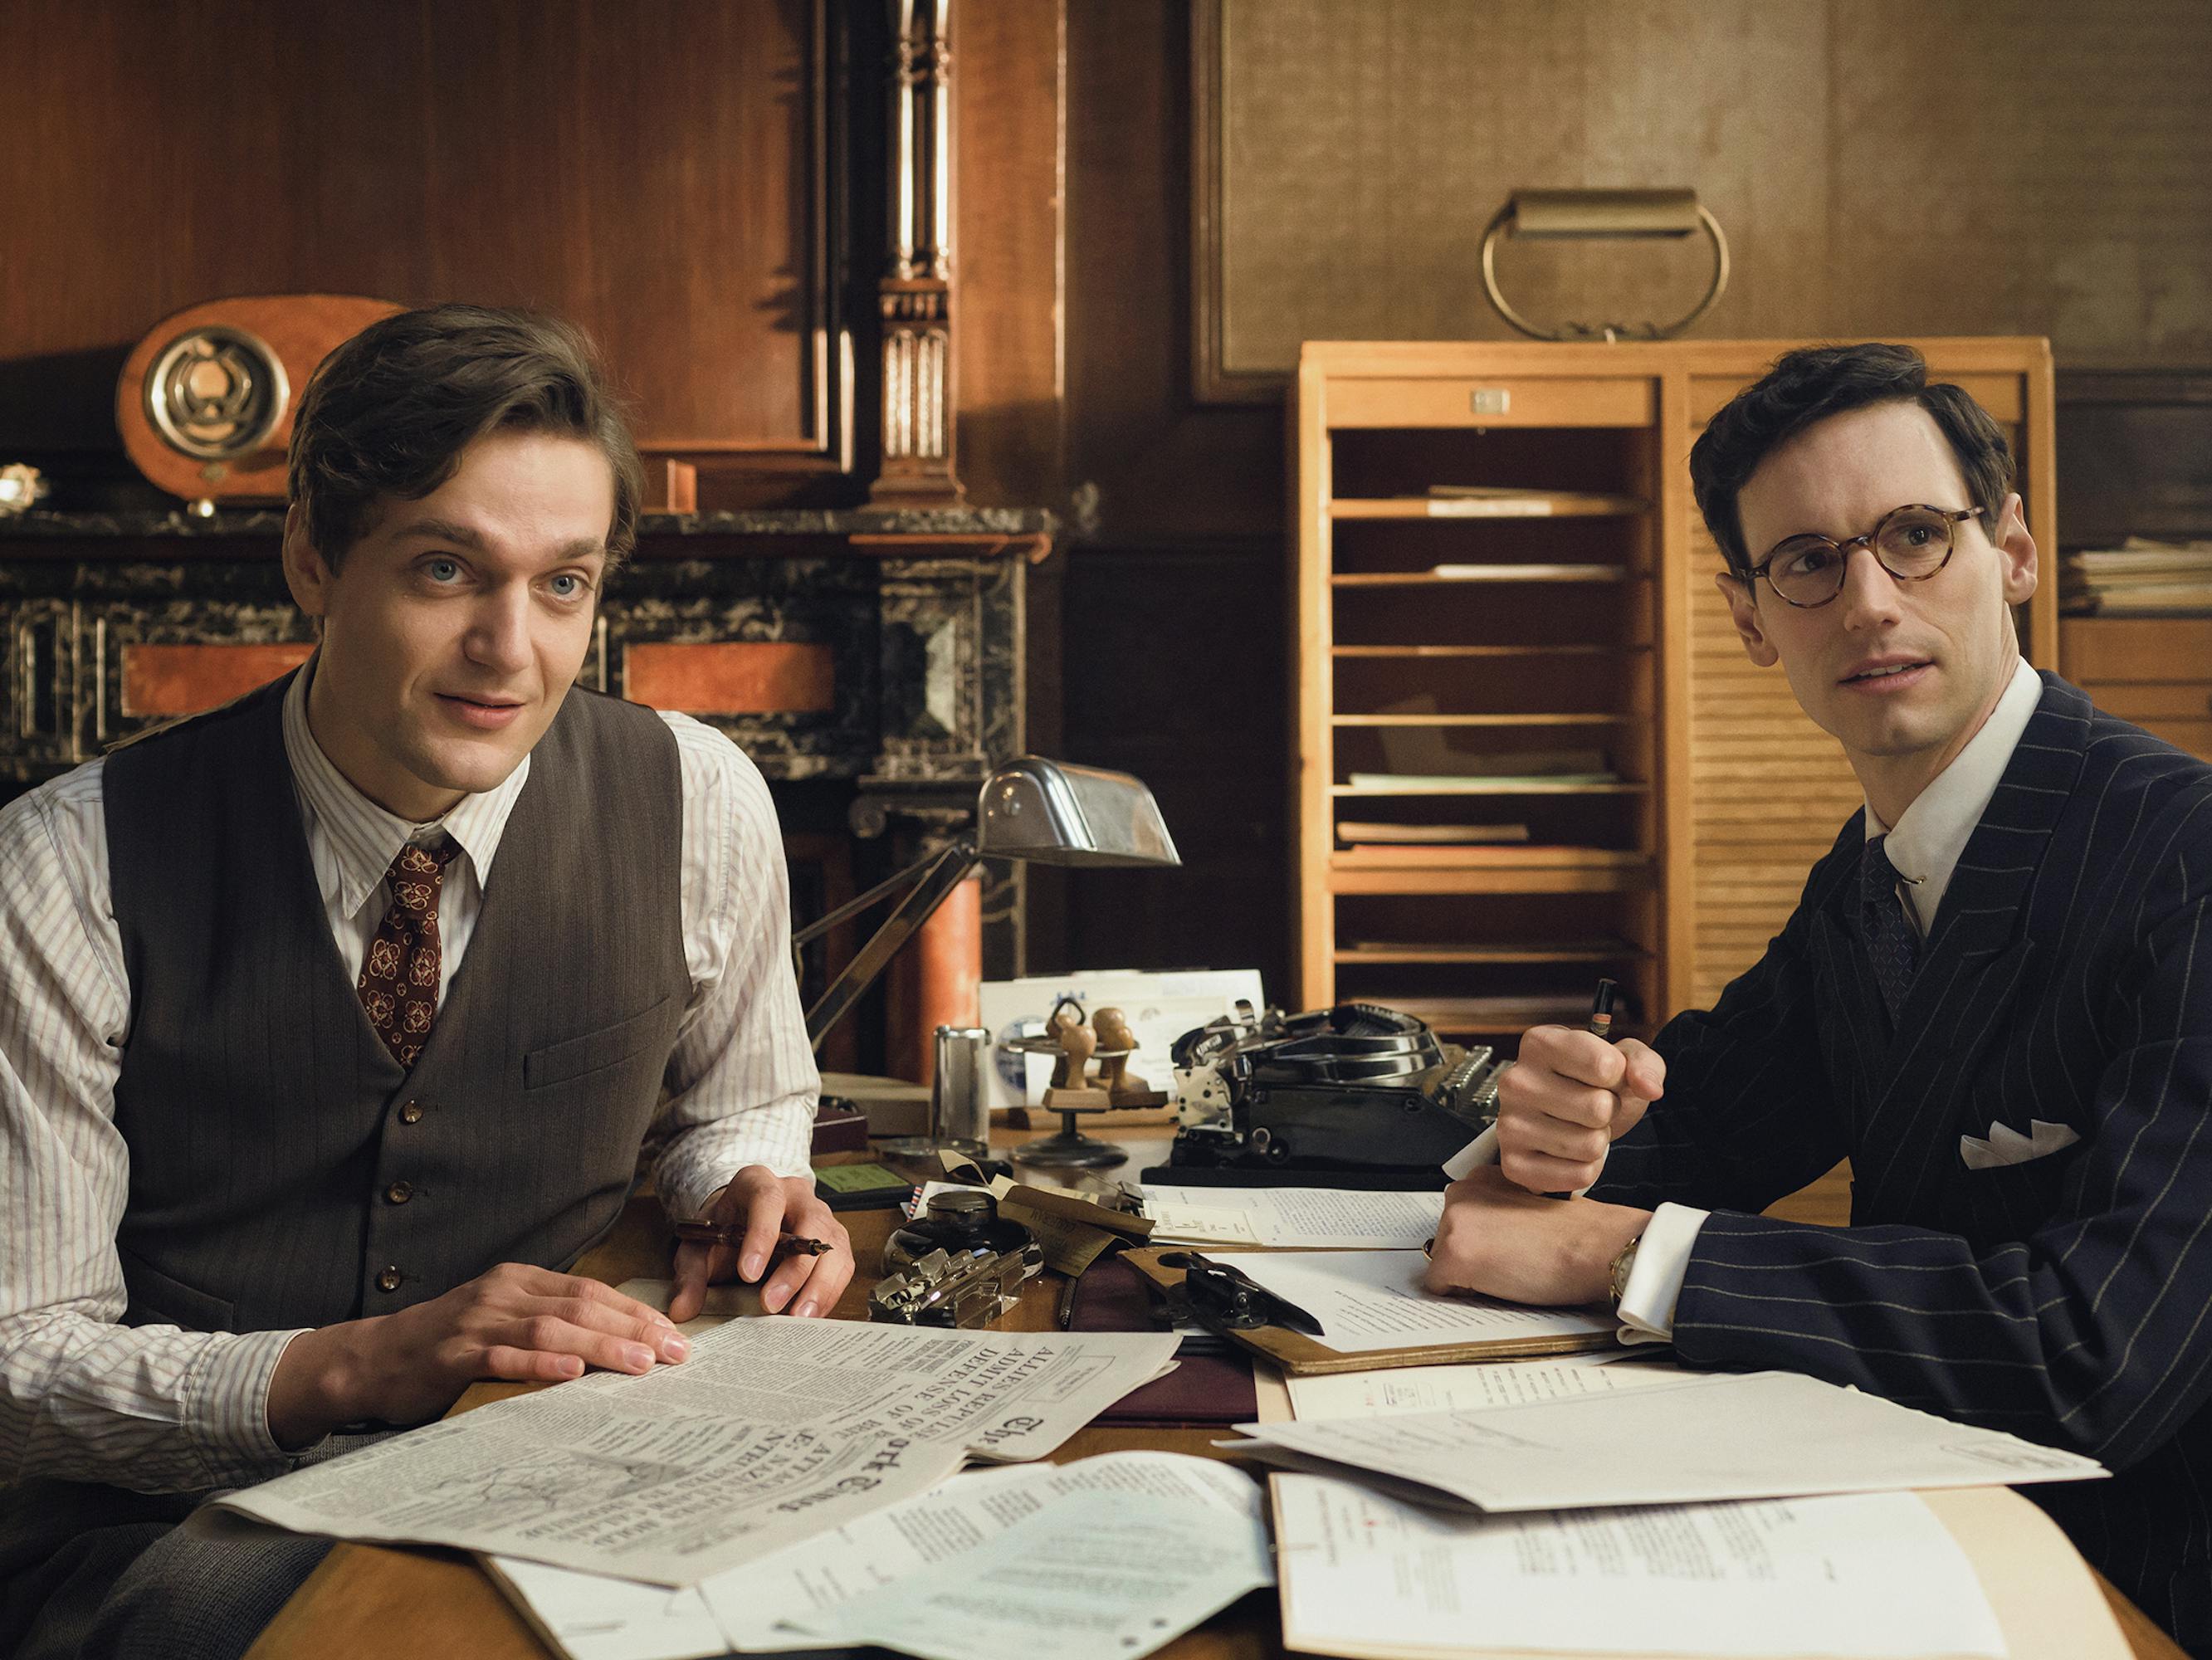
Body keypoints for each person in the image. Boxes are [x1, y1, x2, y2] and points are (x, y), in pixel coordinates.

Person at [0, 305, 852, 1658]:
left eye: (562, 583)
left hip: (562, 1476)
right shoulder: (66, 863)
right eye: (449, 570)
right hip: (170, 1530)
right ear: (314, 562)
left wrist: (737, 1189)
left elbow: (741, 1107)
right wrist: (351, 1365)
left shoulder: (701, 800)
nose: (511, 650)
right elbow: (20, 1365)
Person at [1423, 342, 2212, 1648]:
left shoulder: (2186, 862)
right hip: (1918, 1527)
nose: (1865, 602)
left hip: (2134, 1595)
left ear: (2008, 549)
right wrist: (1560, 1131)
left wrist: (1620, 1251)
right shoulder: (1868, 874)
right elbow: (1709, 1125)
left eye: (1913, 536)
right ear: (1751, 618)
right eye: (1806, 562)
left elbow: (2094, 1357)